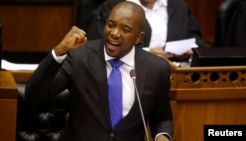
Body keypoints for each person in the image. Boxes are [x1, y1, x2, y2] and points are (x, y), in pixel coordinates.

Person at [25, 1, 173, 141]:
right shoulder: (79, 56)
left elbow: (162, 117)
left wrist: (162, 136)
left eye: (125, 30)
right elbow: (35, 95)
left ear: (138, 37)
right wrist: (59, 51)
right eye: (110, 25)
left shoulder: (157, 69)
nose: (114, 33)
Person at [86, 0, 206, 62]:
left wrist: (190, 50)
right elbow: (96, 47)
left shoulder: (179, 5)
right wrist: (147, 53)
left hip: (177, 74)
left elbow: (196, 39)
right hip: (132, 72)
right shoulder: (115, 6)